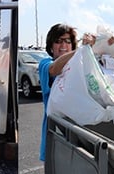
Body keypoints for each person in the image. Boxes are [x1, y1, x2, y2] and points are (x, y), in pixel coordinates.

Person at [37, 23, 95, 161]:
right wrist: (80, 50)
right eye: (58, 41)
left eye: (68, 41)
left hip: (80, 133)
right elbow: (54, 70)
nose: (63, 45)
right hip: (56, 133)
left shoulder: (80, 66)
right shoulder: (45, 63)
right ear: (51, 46)